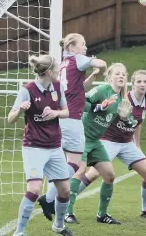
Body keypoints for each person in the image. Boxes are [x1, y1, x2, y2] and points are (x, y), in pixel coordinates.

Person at [70, 70, 146, 220]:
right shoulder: (124, 97)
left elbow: (137, 124)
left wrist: (136, 144)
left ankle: (145, 210)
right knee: (92, 174)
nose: (142, 85)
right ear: (132, 84)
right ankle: (66, 201)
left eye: (145, 82)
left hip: (126, 143)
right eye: (139, 82)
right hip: (108, 139)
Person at [39, 33, 107, 220]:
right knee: (76, 164)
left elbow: (78, 88)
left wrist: (92, 75)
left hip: (61, 117)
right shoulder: (77, 59)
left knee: (65, 162)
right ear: (71, 47)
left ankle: (50, 198)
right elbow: (101, 64)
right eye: (83, 44)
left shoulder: (63, 64)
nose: (86, 47)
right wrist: (97, 64)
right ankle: (49, 197)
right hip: (71, 119)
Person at [7, 54, 75, 236]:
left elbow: (66, 112)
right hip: (34, 147)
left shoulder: (58, 87)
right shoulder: (27, 90)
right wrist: (20, 110)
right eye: (57, 69)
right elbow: (10, 118)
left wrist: (55, 113)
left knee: (65, 190)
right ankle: (19, 233)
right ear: (48, 72)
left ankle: (59, 226)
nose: (59, 72)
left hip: (54, 147)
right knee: (35, 189)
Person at [63, 63, 132, 224]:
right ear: (109, 78)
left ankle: (102, 214)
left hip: (95, 141)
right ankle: (67, 212)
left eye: (123, 74)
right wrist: (99, 107)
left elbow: (131, 123)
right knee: (79, 173)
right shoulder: (102, 90)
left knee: (109, 175)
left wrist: (126, 117)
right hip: (82, 138)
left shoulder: (122, 100)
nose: (121, 76)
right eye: (117, 74)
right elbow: (81, 102)